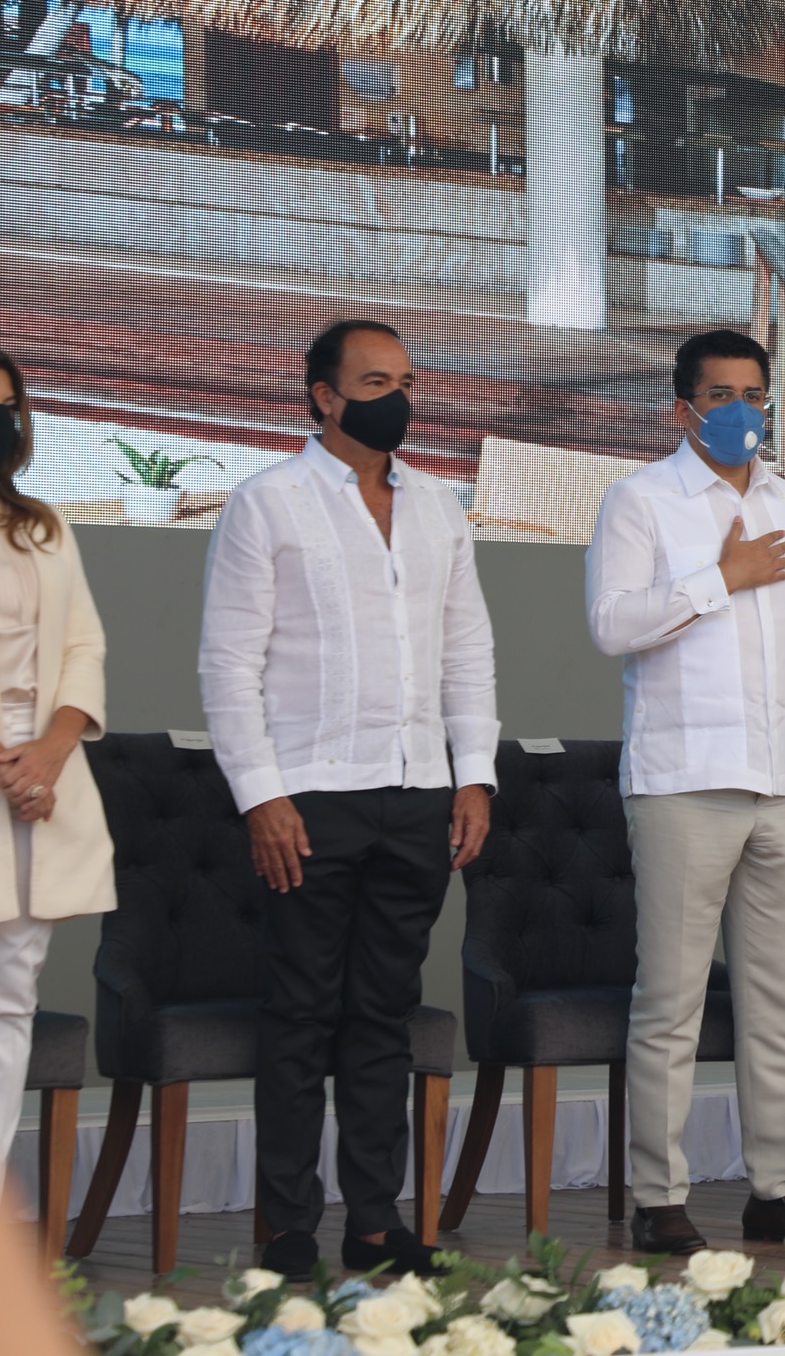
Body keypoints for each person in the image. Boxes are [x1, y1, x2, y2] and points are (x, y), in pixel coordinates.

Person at [200, 319, 497, 1278]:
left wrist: (474, 774)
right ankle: (288, 1226)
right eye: (374, 382)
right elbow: (227, 665)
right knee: (299, 1013)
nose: (396, 397)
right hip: (309, 797)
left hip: (417, 795)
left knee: (383, 1015)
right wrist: (261, 797)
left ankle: (374, 1225)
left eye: (404, 380)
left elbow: (467, 651)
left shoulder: (439, 505)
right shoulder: (269, 502)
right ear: (324, 396)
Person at [586, 329, 785, 1252]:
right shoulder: (641, 500)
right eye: (721, 395)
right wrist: (722, 577)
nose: (742, 411)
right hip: (684, 780)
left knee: (779, 1001)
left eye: (754, 394)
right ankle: (659, 1199)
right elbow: (611, 626)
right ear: (682, 409)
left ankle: (778, 1190)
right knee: (672, 1000)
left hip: (781, 780)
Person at [0, 339, 114, 1200]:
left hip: (44, 779)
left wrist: (50, 753)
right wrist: (2, 763)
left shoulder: (42, 524)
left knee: (9, 997)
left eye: (8, 403)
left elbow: (85, 644)